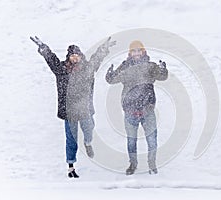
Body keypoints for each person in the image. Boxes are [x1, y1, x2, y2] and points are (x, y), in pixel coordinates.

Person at [32, 36, 115, 178]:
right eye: (72, 56)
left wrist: (104, 48)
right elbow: (52, 60)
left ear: (81, 56)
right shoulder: (62, 70)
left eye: (77, 55)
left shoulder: (87, 68)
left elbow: (96, 58)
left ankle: (88, 143)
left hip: (84, 109)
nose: (75, 58)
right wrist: (44, 48)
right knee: (71, 139)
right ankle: (71, 166)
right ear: (69, 57)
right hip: (69, 112)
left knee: (89, 129)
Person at [105, 40, 168, 175]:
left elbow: (162, 77)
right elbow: (112, 80)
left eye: (139, 50)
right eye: (134, 51)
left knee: (152, 140)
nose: (137, 53)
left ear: (143, 52)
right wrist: (109, 74)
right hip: (130, 111)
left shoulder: (150, 66)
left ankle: (152, 164)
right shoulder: (125, 66)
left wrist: (163, 69)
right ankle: (133, 164)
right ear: (130, 53)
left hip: (148, 110)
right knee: (131, 141)